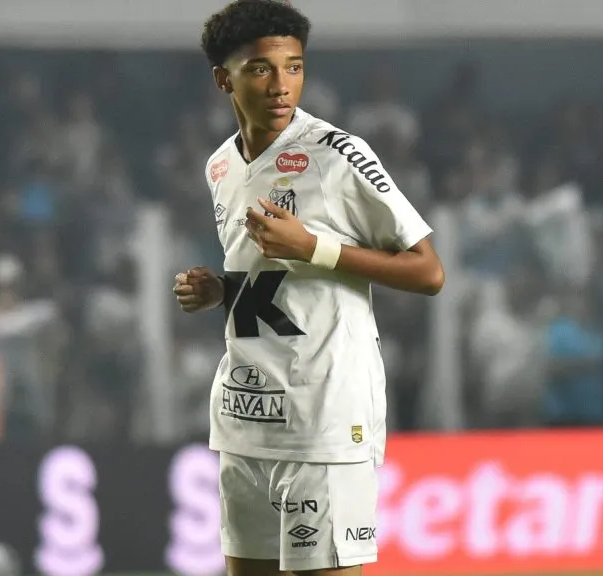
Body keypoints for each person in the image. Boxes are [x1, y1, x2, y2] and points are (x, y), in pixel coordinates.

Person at [173, 2, 445, 575]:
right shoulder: (221, 166)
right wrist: (221, 289)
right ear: (225, 78)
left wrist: (314, 247)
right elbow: (275, 278)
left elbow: (427, 271)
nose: (281, 86)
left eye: (294, 67)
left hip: (323, 422)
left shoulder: (337, 155)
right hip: (247, 416)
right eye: (261, 70)